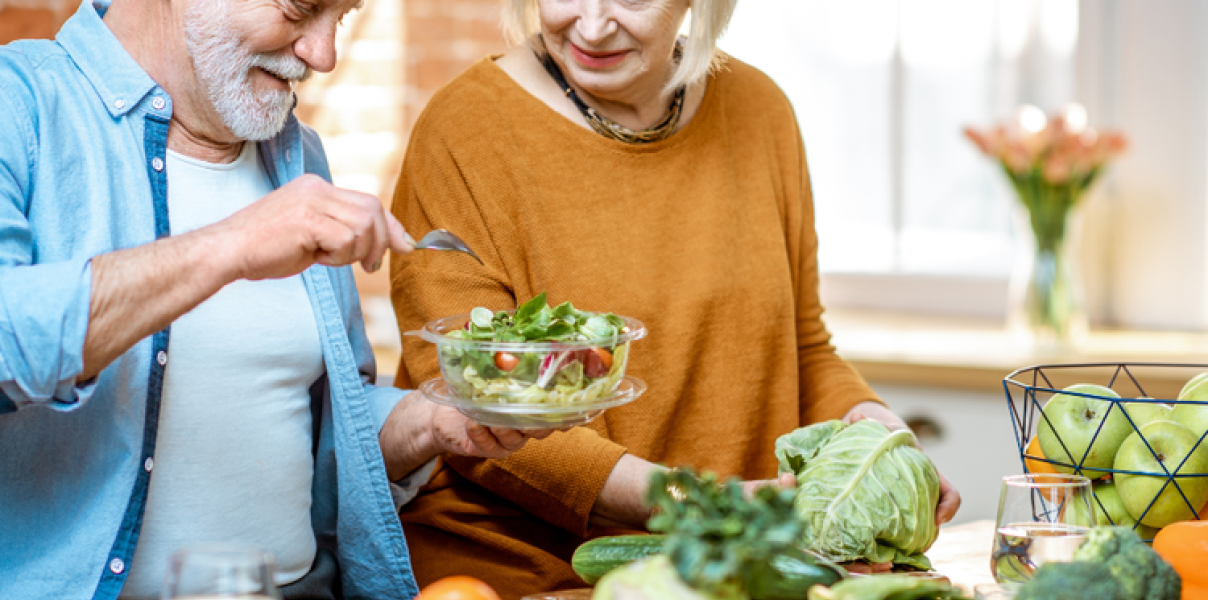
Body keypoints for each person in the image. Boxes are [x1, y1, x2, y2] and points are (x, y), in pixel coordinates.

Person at [387, 0, 963, 597]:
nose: (591, 24)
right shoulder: (464, 129)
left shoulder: (760, 111)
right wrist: (698, 505)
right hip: (524, 576)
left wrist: (881, 437)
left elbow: (802, 347)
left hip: (726, 571)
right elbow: (469, 405)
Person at [0, 1, 553, 599]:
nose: (324, 54)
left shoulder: (296, 155)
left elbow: (310, 436)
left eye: (339, 18)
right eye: (301, 7)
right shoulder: (21, 103)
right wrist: (233, 243)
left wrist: (435, 421)